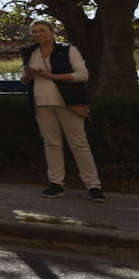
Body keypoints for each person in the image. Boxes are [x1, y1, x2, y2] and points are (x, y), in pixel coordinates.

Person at [21, 20, 104, 202]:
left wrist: (52, 76)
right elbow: (25, 80)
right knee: (51, 144)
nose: (38, 35)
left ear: (52, 32)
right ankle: (56, 184)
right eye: (34, 32)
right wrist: (27, 76)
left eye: (42, 31)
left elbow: (83, 75)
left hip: (69, 102)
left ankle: (93, 186)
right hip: (41, 103)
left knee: (79, 144)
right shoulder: (30, 52)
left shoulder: (67, 50)